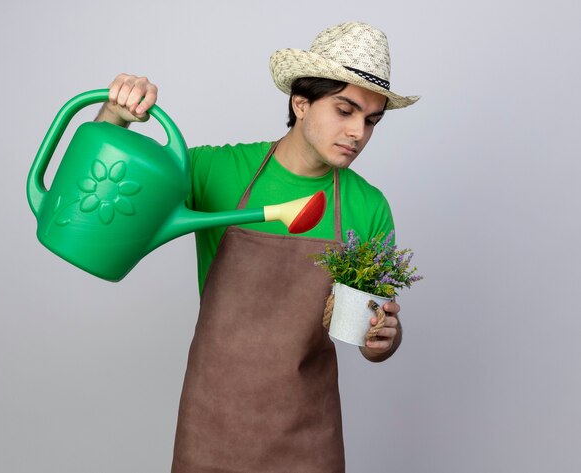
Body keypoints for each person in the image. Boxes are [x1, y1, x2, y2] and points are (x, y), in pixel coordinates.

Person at [96, 21, 419, 473]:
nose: (358, 133)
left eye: (371, 120)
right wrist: (115, 116)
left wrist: (384, 339)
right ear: (301, 102)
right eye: (345, 110)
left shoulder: (368, 207)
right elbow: (104, 202)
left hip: (307, 435)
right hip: (212, 426)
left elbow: (372, 334)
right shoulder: (217, 171)